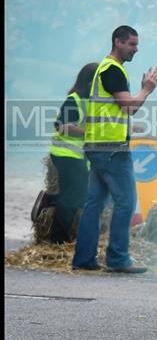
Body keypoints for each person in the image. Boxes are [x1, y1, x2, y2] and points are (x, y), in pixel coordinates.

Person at [72, 25, 157, 273]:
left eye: (136, 44)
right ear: (118, 42)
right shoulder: (113, 70)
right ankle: (117, 259)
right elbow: (129, 106)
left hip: (97, 145)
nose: (136, 49)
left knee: (94, 204)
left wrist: (127, 126)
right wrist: (147, 88)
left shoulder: (104, 68)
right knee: (126, 202)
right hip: (112, 150)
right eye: (132, 44)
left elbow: (112, 110)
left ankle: (83, 259)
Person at [48, 62, 99, 243]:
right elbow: (62, 127)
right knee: (71, 198)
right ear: (90, 81)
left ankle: (50, 203)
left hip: (77, 156)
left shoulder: (92, 102)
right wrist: (92, 133)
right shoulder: (74, 99)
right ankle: (57, 241)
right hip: (66, 155)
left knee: (80, 196)